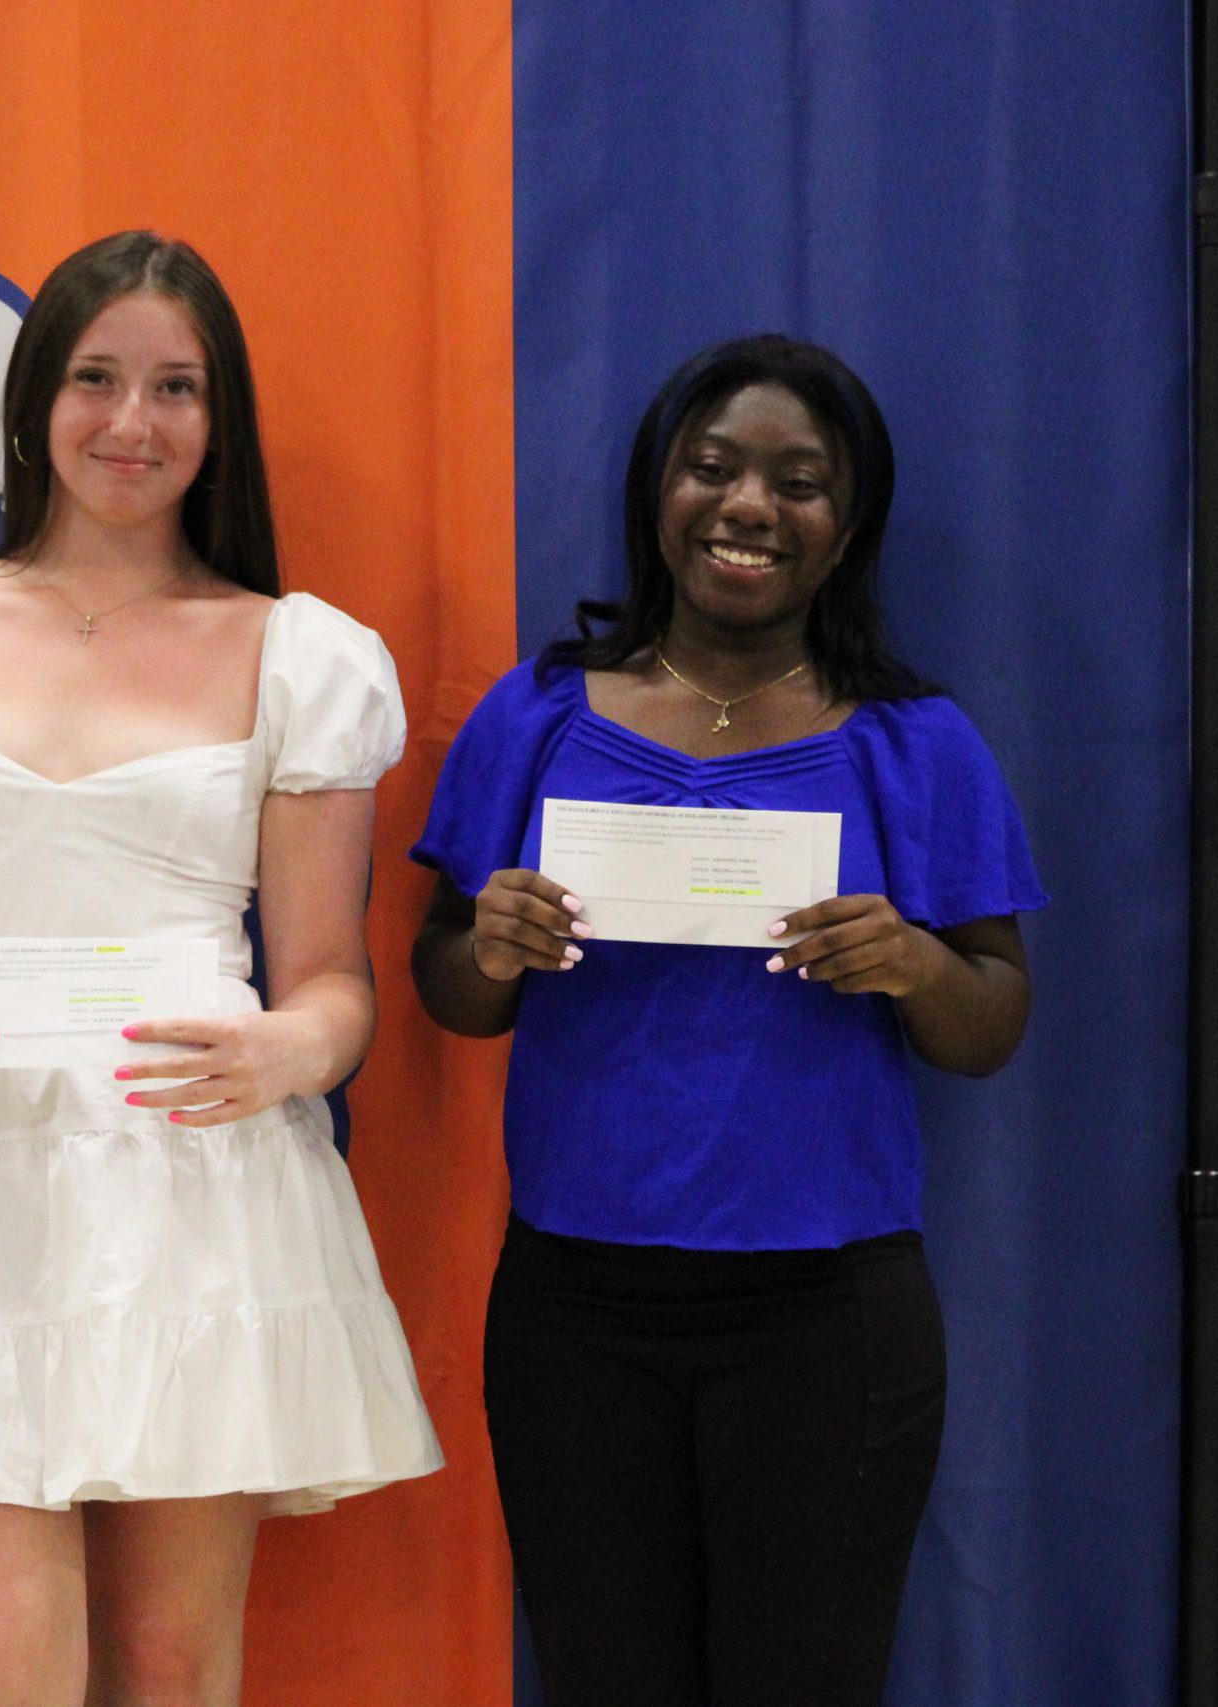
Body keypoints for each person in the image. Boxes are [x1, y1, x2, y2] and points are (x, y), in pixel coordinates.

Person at [0, 230, 440, 1706]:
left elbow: (330, 985)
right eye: (96, 380)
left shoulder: (298, 655)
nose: (132, 424)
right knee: (4, 1674)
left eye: (175, 388)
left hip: (193, 1186)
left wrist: (287, 1053)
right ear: (35, 402)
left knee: (174, 1669)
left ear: (218, 418)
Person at [410, 334, 1044, 1707]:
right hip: (572, 1308)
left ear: (846, 523)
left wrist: (913, 965)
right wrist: (494, 946)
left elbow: (991, 1020)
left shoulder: (911, 741)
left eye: (797, 482)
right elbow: (444, 983)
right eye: (711, 469)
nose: (748, 506)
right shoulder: (533, 715)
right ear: (657, 493)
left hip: (822, 1317)